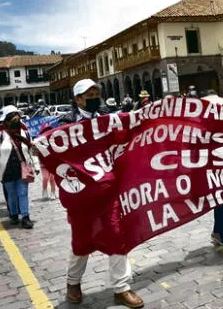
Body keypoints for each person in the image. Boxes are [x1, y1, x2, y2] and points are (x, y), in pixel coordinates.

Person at [60, 79, 143, 308]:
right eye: (89, 95)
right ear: (77, 99)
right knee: (81, 241)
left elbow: (128, 131)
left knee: (117, 235)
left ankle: (121, 288)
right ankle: (73, 282)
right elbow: (53, 147)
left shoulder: (108, 119)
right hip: (82, 195)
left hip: (108, 191)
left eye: (97, 93)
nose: (95, 98)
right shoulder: (66, 123)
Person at [201, 90, 223, 262]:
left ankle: (217, 233)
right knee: (221, 204)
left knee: (222, 204)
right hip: (212, 173)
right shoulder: (200, 130)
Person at [0, 105, 38, 229]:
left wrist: (36, 165)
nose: (16, 121)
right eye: (13, 118)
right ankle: (13, 214)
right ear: (6, 121)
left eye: (17, 118)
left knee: (23, 193)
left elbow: (31, 150)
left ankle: (25, 217)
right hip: (6, 170)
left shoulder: (25, 133)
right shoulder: (0, 135)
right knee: (11, 194)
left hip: (22, 168)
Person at [38, 124, 58, 199]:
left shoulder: (54, 140)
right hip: (44, 164)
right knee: (45, 177)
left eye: (49, 130)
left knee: (52, 178)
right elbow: (37, 153)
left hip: (52, 163)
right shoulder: (39, 142)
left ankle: (53, 192)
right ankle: (44, 190)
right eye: (45, 131)